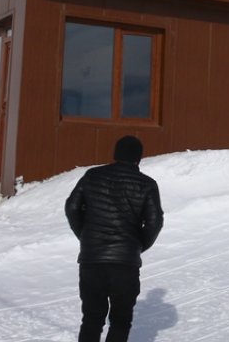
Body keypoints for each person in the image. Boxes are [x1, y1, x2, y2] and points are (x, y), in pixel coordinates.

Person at [65, 135, 164, 342]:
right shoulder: (147, 184)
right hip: (125, 264)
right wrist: (136, 246)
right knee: (120, 321)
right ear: (138, 158)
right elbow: (154, 223)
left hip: (92, 261)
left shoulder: (92, 176)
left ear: (116, 154)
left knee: (91, 319)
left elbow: (72, 207)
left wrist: (85, 237)